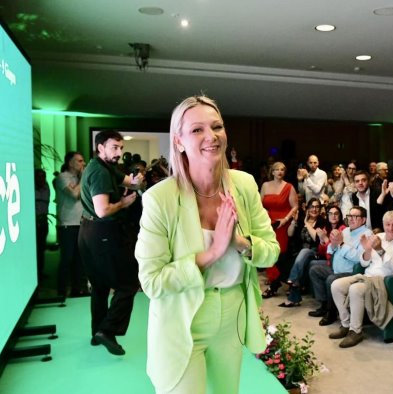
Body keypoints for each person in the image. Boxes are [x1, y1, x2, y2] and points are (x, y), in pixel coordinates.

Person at [135, 96, 280, 393]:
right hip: (183, 322)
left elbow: (271, 250)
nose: (211, 136)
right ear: (179, 141)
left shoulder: (244, 185)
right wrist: (213, 253)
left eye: (217, 127)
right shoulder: (159, 199)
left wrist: (239, 242)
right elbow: (152, 281)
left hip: (232, 315)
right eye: (197, 130)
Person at [78, 130, 145, 356]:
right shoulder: (100, 173)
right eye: (114, 148)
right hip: (103, 232)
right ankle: (107, 330)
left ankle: (97, 332)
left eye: (120, 148)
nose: (119, 152)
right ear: (100, 148)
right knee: (128, 284)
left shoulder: (104, 167)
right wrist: (124, 203)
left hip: (89, 231)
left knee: (99, 286)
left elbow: (130, 182)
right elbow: (103, 209)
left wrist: (137, 180)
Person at [329, 211, 393, 348]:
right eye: (387, 224)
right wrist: (367, 250)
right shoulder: (378, 236)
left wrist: (380, 250)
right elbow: (363, 263)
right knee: (336, 285)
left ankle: (356, 331)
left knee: (355, 288)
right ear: (383, 225)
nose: (391, 228)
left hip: (384, 281)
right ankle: (346, 324)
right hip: (367, 277)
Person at [309, 206, 373, 326]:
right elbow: (330, 250)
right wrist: (333, 243)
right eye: (349, 216)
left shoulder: (367, 234)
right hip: (336, 268)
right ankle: (324, 304)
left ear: (363, 220)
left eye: (355, 216)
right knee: (314, 269)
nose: (351, 219)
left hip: (351, 272)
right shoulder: (345, 231)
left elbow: (359, 258)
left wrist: (341, 243)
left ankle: (331, 312)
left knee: (331, 280)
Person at [259, 161, 298, 297]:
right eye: (277, 169)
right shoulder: (265, 185)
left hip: (282, 223)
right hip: (267, 223)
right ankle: (275, 282)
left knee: (279, 254)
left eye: (282, 169)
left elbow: (295, 206)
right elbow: (258, 205)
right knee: (268, 252)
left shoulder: (289, 187)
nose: (280, 172)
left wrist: (286, 220)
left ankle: (276, 284)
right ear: (272, 172)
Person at [53, 151, 87, 297]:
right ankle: (61, 290)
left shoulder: (79, 178)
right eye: (79, 161)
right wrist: (83, 178)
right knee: (67, 258)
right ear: (70, 163)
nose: (83, 164)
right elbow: (74, 195)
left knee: (80, 259)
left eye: (83, 161)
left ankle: (78, 289)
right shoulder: (62, 178)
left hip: (81, 223)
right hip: (67, 224)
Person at [34, 168, 51, 282]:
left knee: (41, 249)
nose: (41, 179)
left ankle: (40, 272)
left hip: (43, 221)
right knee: (35, 249)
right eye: (39, 176)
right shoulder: (30, 188)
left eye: (43, 176)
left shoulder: (46, 187)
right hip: (34, 222)